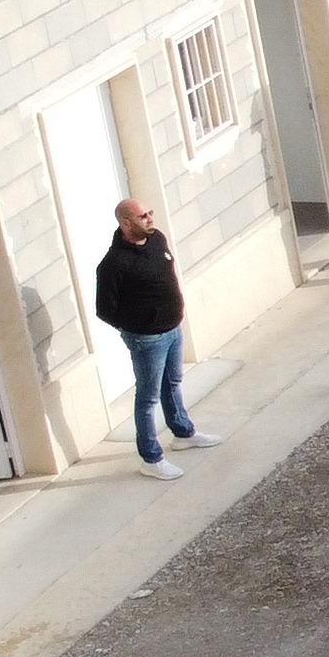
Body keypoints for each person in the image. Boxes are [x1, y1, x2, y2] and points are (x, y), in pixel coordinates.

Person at [94, 197, 221, 481]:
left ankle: (183, 433)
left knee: (173, 383)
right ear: (126, 223)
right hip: (147, 339)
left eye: (149, 213)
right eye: (142, 216)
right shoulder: (114, 264)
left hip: (173, 329)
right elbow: (105, 310)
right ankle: (151, 458)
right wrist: (140, 327)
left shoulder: (157, 239)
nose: (150, 219)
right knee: (148, 397)